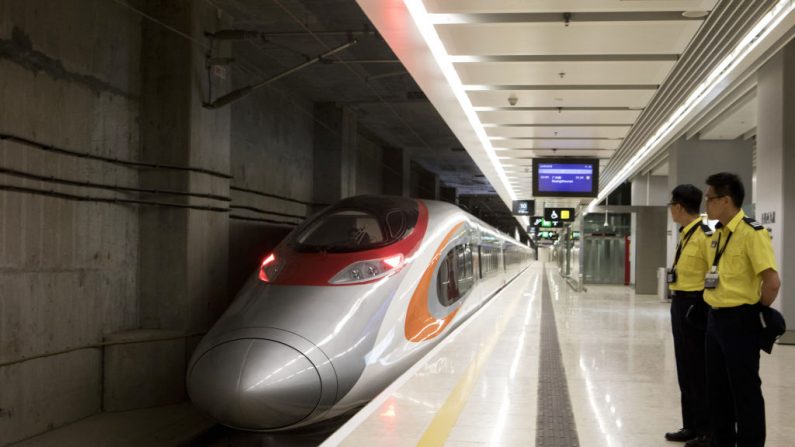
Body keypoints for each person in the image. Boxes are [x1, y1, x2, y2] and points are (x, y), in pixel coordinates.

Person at [702, 172, 780, 447]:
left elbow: (771, 282)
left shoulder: (752, 233)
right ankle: (722, 440)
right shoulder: (718, 234)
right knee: (718, 389)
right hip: (715, 319)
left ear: (725, 200)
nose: (706, 205)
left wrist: (753, 312)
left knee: (744, 390)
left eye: (709, 199)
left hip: (739, 319)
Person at [665, 184, 712, 447]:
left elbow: (715, 270)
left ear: (679, 207)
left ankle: (706, 430)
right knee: (685, 367)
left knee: (698, 369)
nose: (671, 209)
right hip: (680, 302)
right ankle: (691, 425)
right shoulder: (686, 234)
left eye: (672, 205)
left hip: (696, 304)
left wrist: (703, 305)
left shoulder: (706, 233)